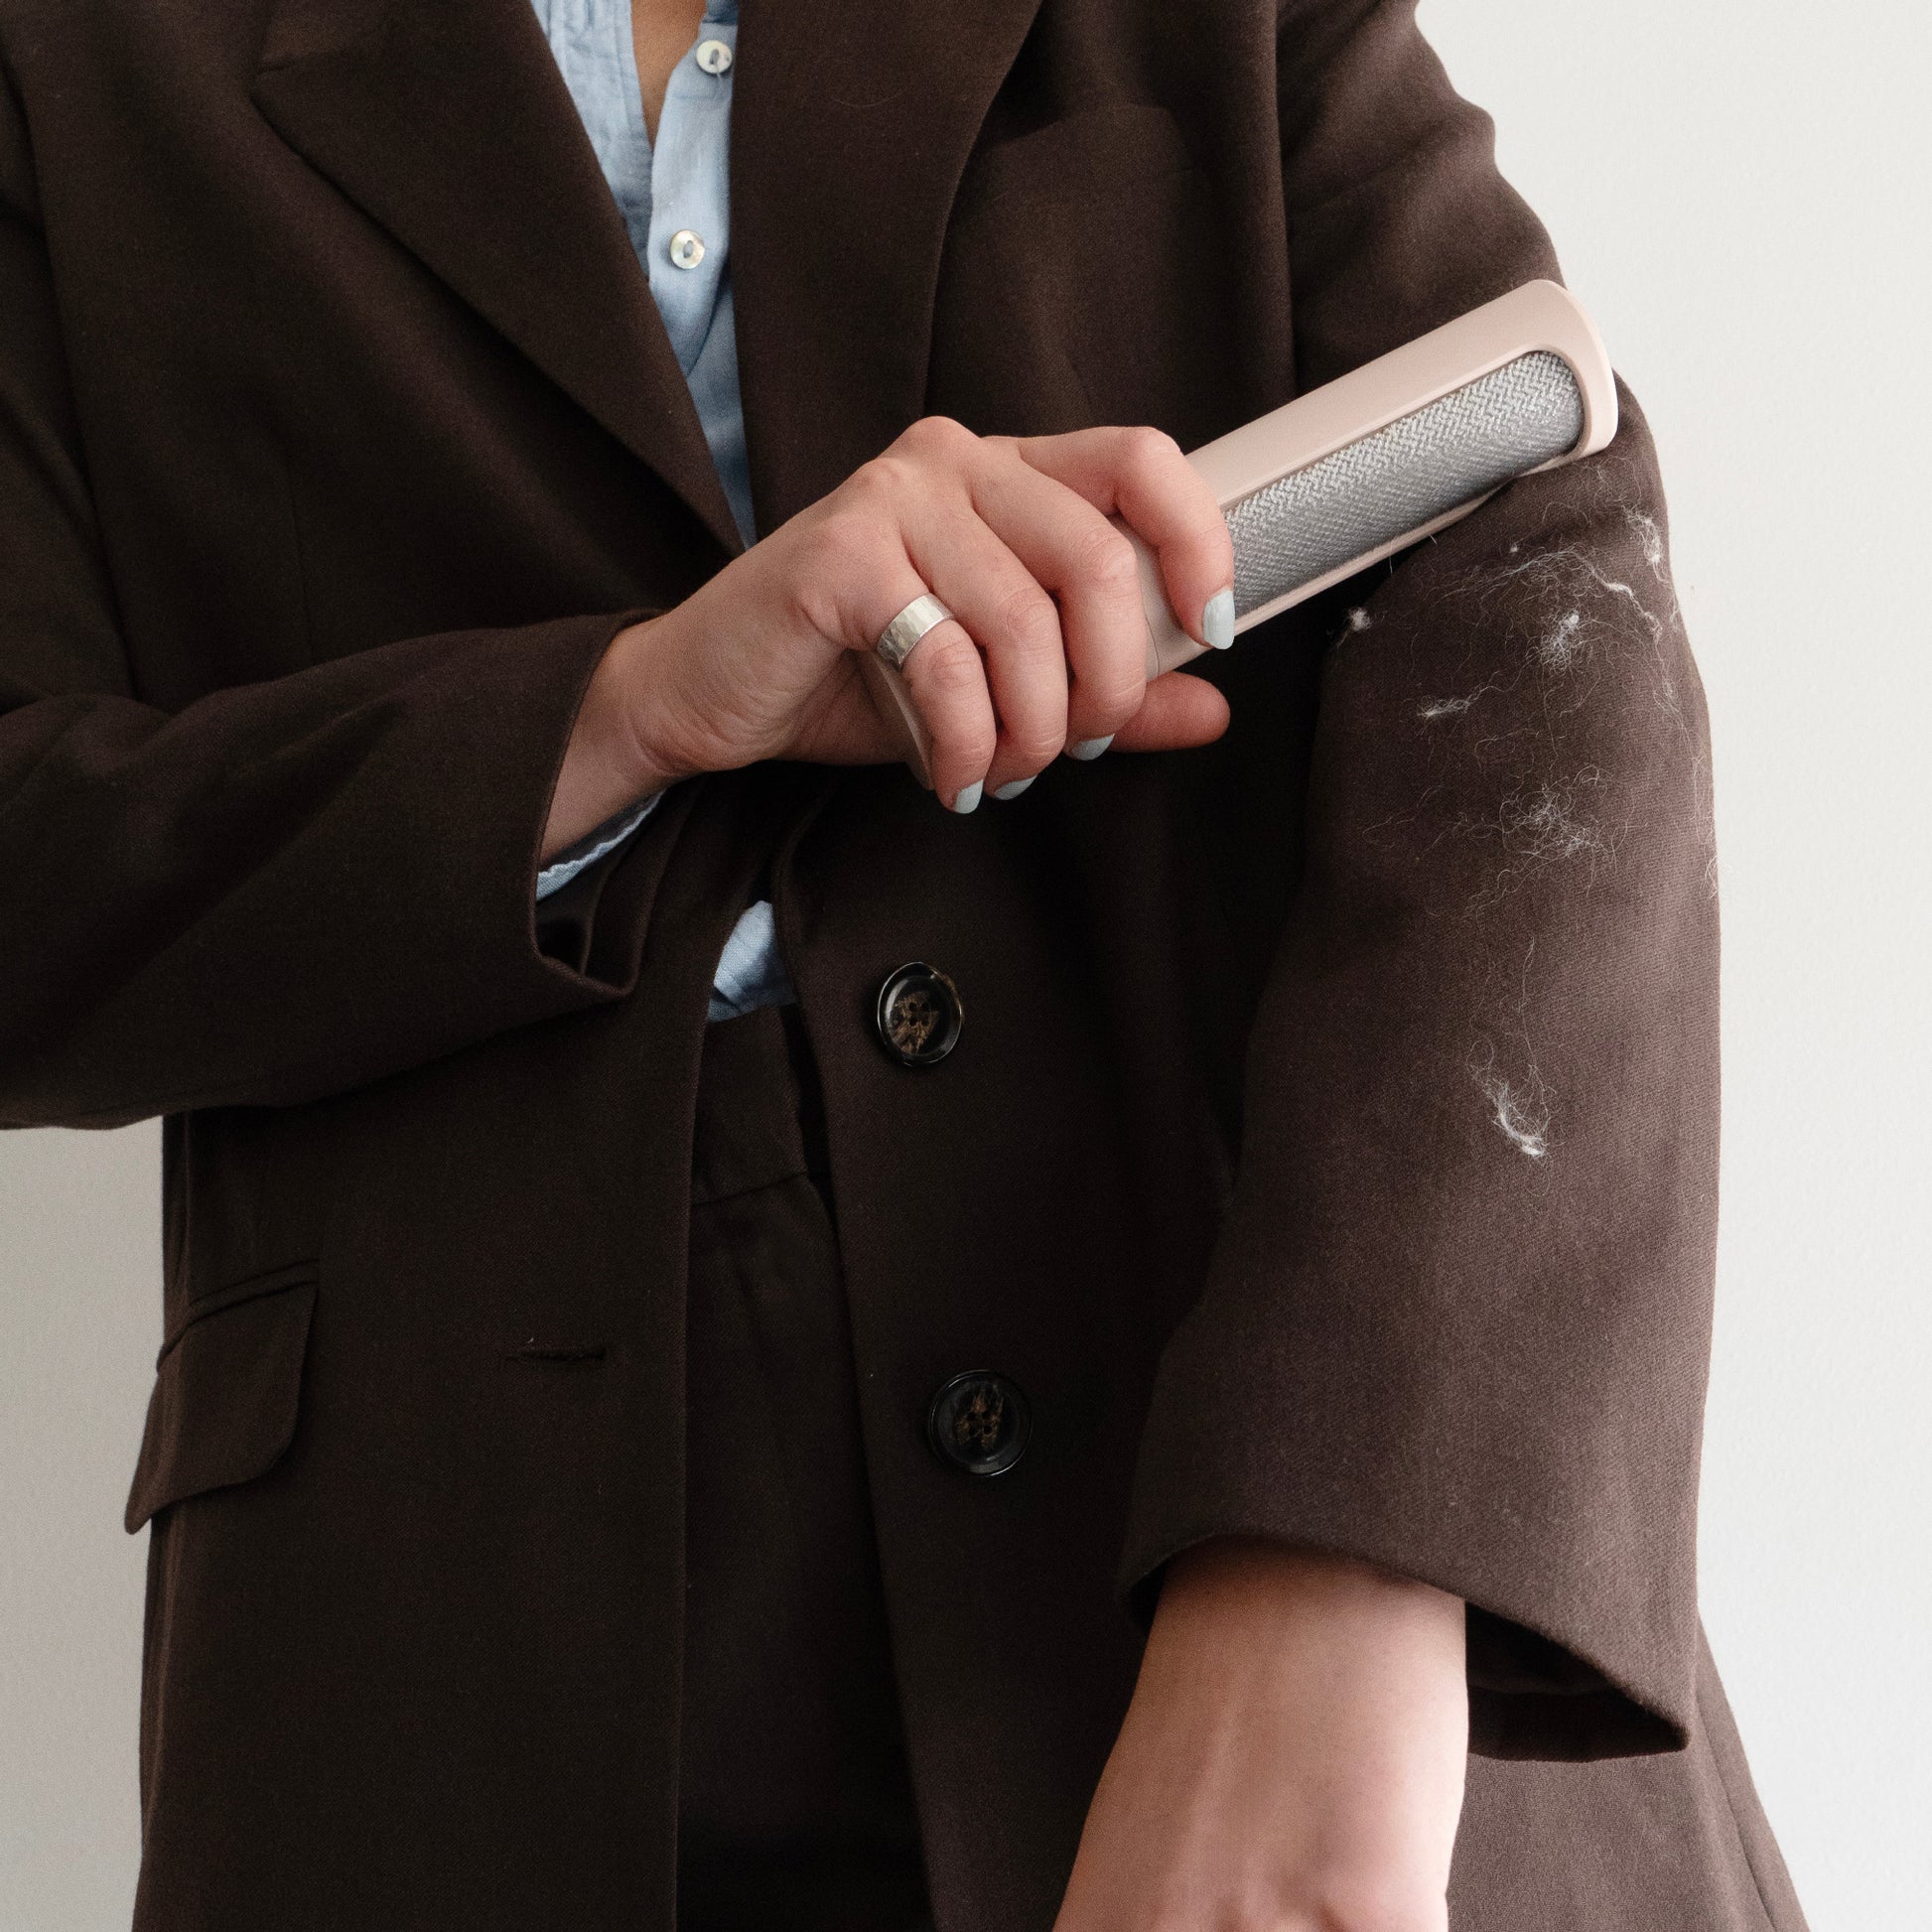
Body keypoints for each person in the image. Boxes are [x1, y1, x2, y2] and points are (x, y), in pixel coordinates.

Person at [0, 0, 1805, 1926]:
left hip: (1233, 1467)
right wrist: (616, 711)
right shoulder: (76, 58)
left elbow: (1536, 564)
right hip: (464, 1653)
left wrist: (1341, 1554)